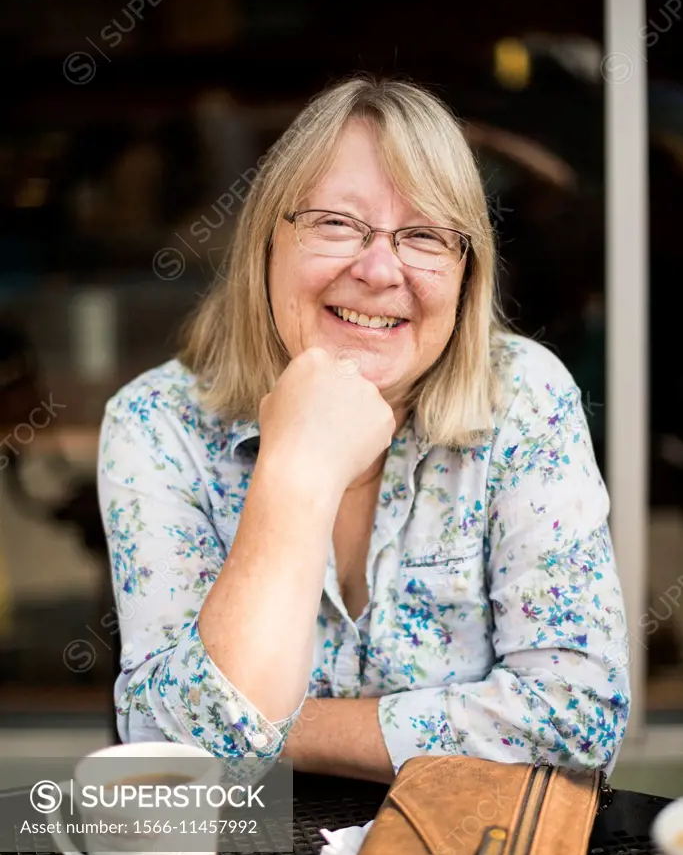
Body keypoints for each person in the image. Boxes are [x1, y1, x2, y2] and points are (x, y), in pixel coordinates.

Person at [97, 75, 630, 784]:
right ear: (266, 242)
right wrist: (297, 470)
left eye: (424, 236)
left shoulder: (523, 399)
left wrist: (280, 729)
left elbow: (579, 718)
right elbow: (172, 762)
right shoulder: (157, 425)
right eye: (335, 223)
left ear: (466, 271)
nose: (380, 269)